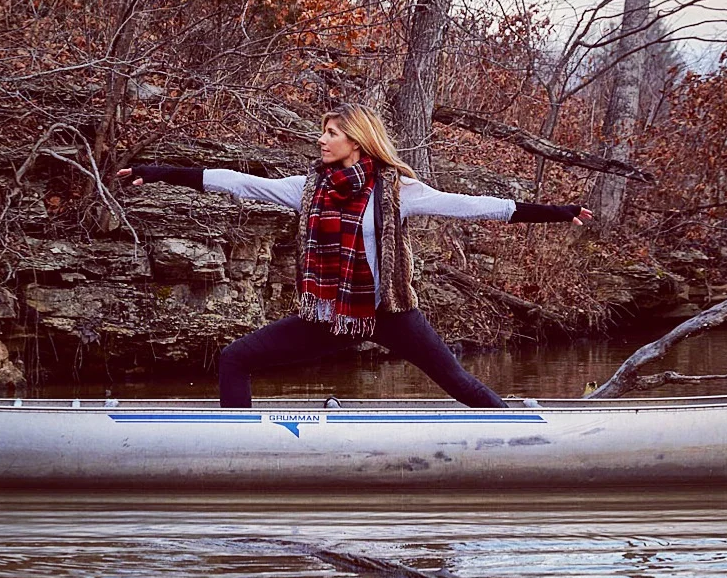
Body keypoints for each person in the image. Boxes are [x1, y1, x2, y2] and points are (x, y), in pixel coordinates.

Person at [118, 102, 592, 408]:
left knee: (459, 383)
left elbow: (475, 207)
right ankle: (238, 447)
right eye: (322, 132)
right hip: (331, 315)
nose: (322, 140)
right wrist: (159, 172)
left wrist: (558, 213)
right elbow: (238, 182)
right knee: (234, 359)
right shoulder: (307, 190)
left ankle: (523, 433)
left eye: (332, 133)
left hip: (390, 314)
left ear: (357, 140)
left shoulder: (398, 191)